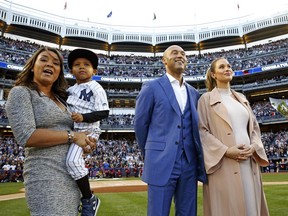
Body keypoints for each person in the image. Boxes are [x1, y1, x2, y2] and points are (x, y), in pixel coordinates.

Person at [5, 46, 96, 216]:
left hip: (71, 177)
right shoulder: (21, 93)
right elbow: (26, 135)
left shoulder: (64, 99)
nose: (50, 64)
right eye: (44, 59)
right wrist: (72, 136)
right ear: (32, 66)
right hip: (45, 176)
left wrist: (87, 142)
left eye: (56, 63)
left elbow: (76, 133)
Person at [134, 45, 207, 216]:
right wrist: (151, 153)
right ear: (164, 60)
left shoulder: (194, 93)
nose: (180, 55)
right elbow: (140, 124)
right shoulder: (151, 87)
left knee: (188, 212)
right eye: (174, 53)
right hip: (160, 161)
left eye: (183, 54)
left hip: (189, 163)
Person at [198, 57, 270, 216]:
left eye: (229, 66)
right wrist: (225, 150)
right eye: (222, 67)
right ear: (213, 74)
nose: (227, 69)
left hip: (249, 162)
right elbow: (202, 131)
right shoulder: (205, 99)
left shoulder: (242, 99)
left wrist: (254, 146)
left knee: (252, 206)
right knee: (226, 209)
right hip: (223, 163)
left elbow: (254, 129)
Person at [66, 48, 109, 216]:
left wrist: (83, 117)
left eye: (86, 64)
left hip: (88, 131)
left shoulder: (96, 88)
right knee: (69, 164)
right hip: (73, 131)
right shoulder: (70, 90)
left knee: (72, 162)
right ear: (71, 71)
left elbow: (104, 112)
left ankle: (89, 198)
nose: (81, 67)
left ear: (94, 71)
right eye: (77, 65)